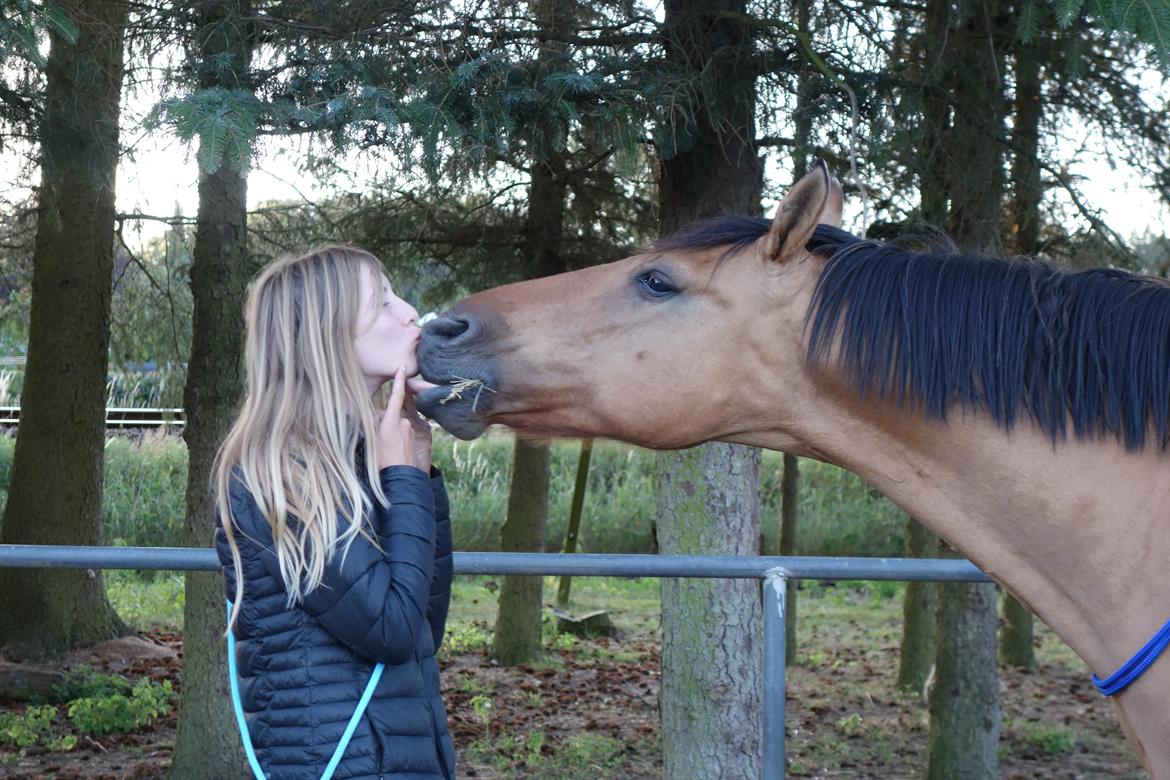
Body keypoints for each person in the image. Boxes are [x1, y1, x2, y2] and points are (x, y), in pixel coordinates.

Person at [213, 246, 455, 780]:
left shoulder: (360, 458)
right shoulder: (281, 477)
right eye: (381, 301)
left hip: (402, 756)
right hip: (346, 764)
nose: (410, 311)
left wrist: (415, 471)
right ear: (326, 335)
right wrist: (405, 482)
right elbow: (389, 630)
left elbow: (422, 628)